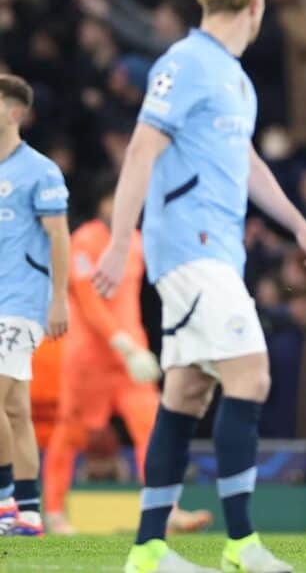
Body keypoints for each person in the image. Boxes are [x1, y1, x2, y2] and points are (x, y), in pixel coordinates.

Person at [93, 0, 306, 572]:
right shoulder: (184, 63)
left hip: (217, 250)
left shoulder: (236, 80)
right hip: (189, 248)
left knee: (187, 392)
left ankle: (149, 549)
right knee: (250, 374)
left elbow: (245, 162)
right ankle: (242, 544)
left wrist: (299, 227)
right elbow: (142, 149)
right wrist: (122, 243)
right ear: (254, 7)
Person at [43, 174, 212, 536]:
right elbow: (88, 301)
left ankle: (167, 508)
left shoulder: (136, 242)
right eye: (117, 200)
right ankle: (54, 512)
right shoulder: (85, 241)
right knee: (70, 434)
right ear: (103, 203)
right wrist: (124, 343)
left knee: (153, 430)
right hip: (90, 360)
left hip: (130, 362)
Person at [0, 74, 70, 536]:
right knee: (16, 411)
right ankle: (28, 511)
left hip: (20, 301)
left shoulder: (40, 171)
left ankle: (4, 504)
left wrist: (58, 300)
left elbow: (58, 236)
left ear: (14, 112)